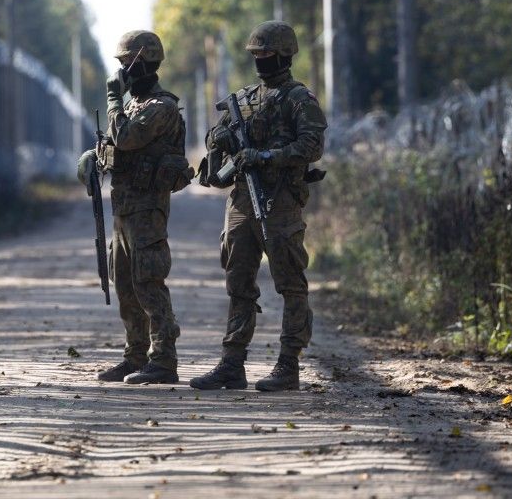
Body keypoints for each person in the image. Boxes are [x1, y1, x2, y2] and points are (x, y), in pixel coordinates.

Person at [190, 21, 327, 392]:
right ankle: (232, 363)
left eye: (266, 54)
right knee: (239, 283)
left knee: (290, 283)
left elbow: (311, 146)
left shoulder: (299, 99)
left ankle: (288, 364)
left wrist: (266, 155)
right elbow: (215, 144)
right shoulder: (243, 99)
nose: (260, 61)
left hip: (280, 202)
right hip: (241, 202)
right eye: (256, 55)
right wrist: (218, 138)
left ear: (284, 55)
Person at [79, 30, 193, 385]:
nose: (123, 71)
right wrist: (95, 156)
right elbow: (116, 144)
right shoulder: (132, 107)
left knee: (148, 282)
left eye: (128, 64)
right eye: (121, 65)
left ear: (145, 63)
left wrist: (113, 97)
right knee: (125, 284)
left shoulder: (162, 107)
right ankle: (135, 356)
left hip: (147, 209)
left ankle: (164, 360)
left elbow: (127, 138)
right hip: (123, 209)